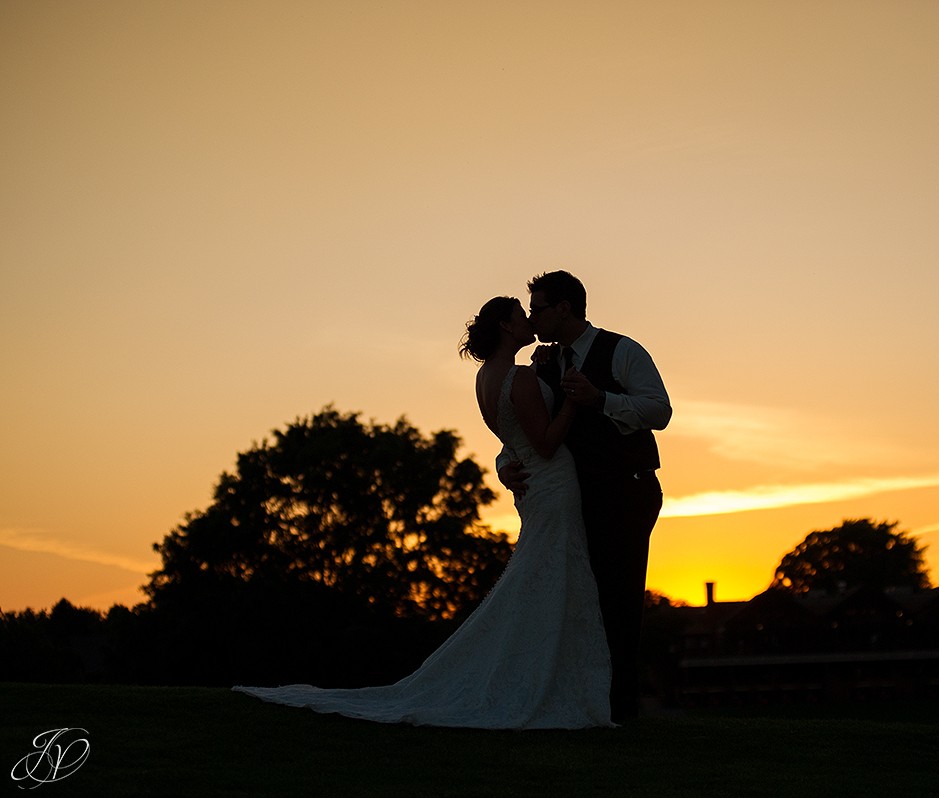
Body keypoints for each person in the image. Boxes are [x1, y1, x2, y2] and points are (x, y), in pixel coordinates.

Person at [233, 296, 613, 729]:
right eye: (521, 316)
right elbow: (544, 444)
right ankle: (544, 684)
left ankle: (540, 676)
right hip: (551, 483)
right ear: (507, 327)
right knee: (552, 579)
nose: (529, 320)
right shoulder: (521, 378)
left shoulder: (485, 378)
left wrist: (505, 465)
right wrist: (570, 396)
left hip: (530, 486)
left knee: (542, 578)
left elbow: (510, 439)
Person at [498, 271, 671, 723]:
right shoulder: (544, 364)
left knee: (621, 597)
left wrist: (600, 399)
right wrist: (504, 465)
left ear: (564, 309)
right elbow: (525, 423)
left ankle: (622, 709)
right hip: (572, 498)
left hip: (626, 488)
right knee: (578, 598)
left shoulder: (623, 350)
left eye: (537, 308)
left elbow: (660, 410)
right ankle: (582, 702)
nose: (532, 315)